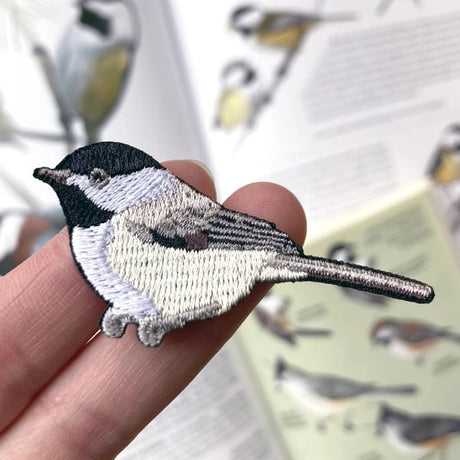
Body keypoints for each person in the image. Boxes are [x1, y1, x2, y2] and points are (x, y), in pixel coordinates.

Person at [0, 159, 306, 458]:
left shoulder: (145, 215)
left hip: (242, 258)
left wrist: (165, 317)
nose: (74, 186)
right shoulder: (88, 238)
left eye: (95, 179)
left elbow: (207, 277)